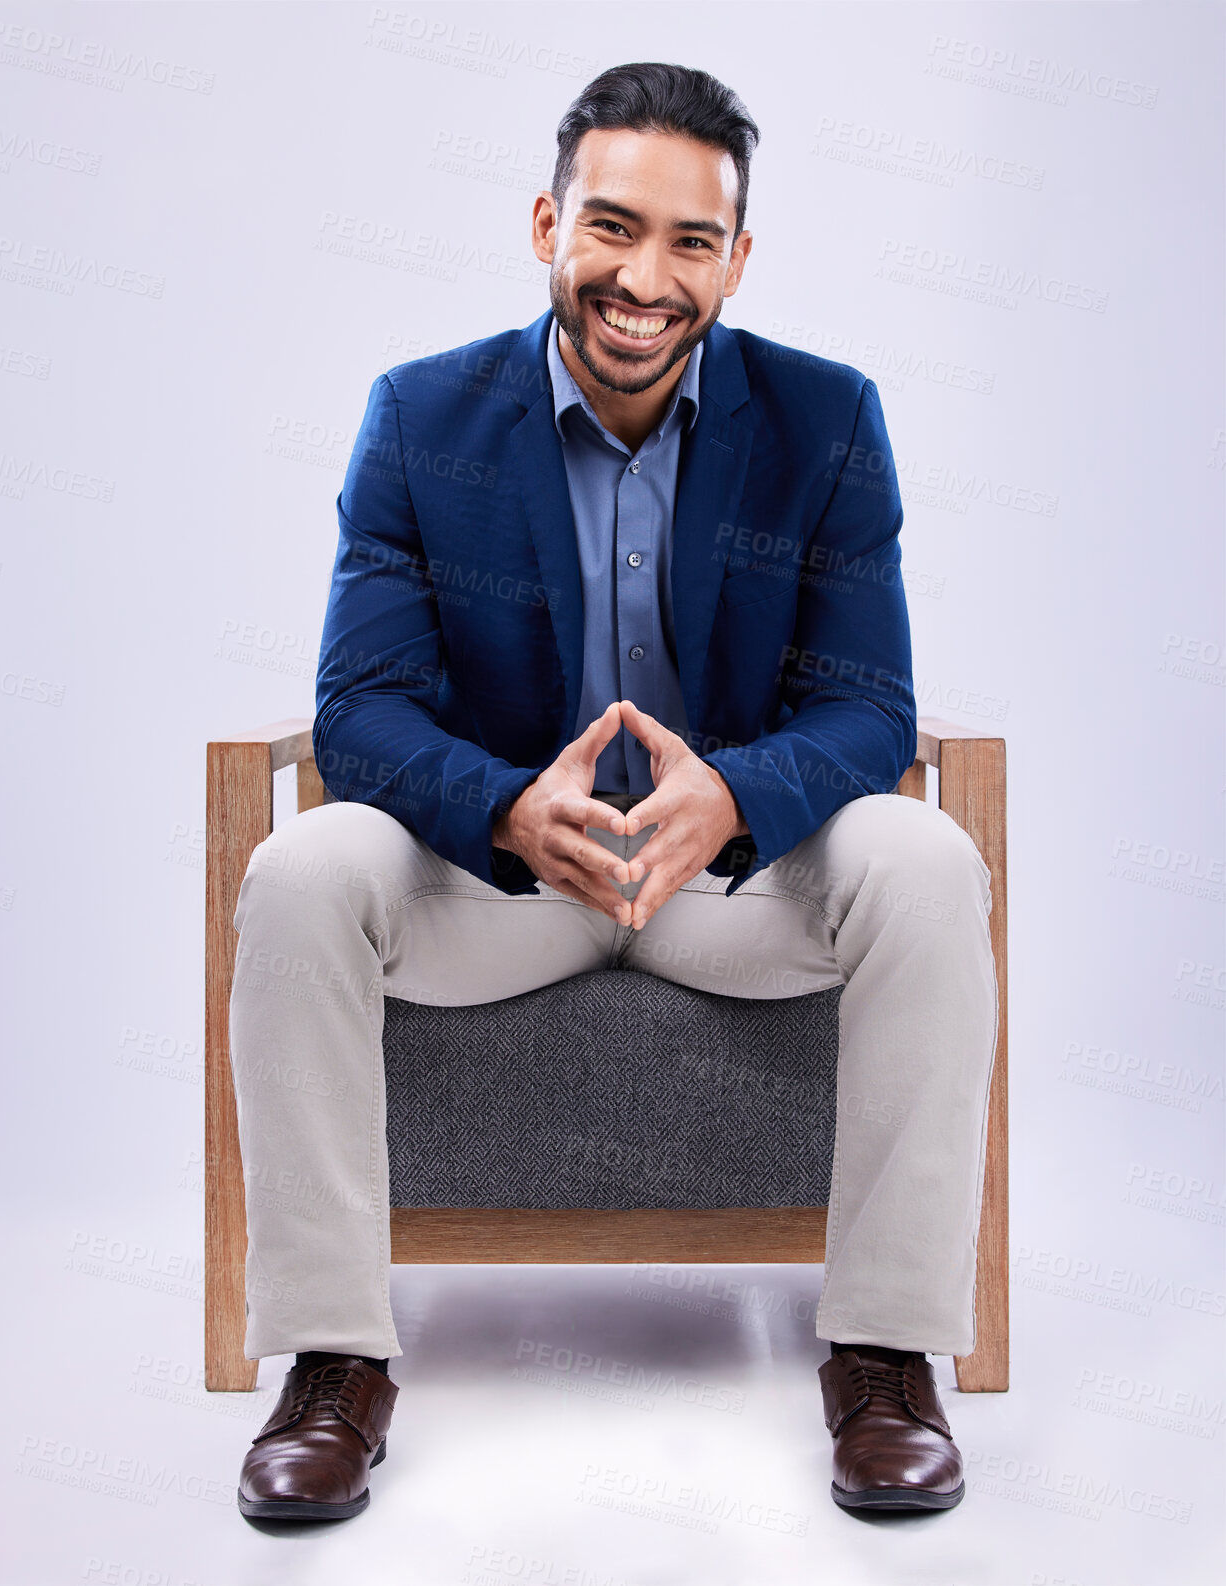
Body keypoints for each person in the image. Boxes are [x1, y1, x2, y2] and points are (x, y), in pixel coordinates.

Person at [229, 61, 999, 1522]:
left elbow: (868, 704)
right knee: (305, 871)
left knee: (926, 855)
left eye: (690, 241)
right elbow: (362, 706)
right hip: (502, 882)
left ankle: (888, 1354)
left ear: (738, 259)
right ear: (546, 224)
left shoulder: (827, 420)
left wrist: (736, 798)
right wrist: (514, 812)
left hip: (737, 881)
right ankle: (334, 1360)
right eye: (613, 228)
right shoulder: (420, 416)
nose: (645, 280)